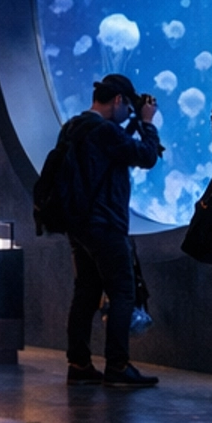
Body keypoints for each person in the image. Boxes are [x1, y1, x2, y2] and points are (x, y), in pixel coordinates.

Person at [53, 73, 163, 389]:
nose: (129, 113)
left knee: (85, 291)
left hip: (77, 225)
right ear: (117, 100)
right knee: (122, 292)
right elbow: (146, 156)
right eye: (127, 107)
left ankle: (79, 363)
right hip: (106, 223)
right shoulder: (104, 132)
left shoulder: (73, 126)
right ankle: (117, 365)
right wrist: (147, 122)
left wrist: (133, 123)